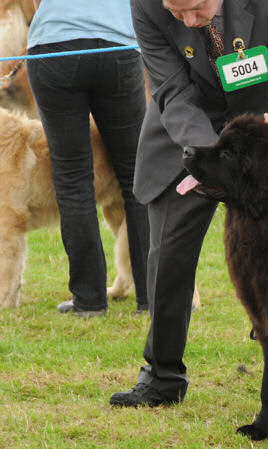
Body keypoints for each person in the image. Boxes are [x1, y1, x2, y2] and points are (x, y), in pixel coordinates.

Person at [109, 0, 268, 407]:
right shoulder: (144, 5)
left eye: (197, 8)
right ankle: (162, 375)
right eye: (178, 14)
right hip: (189, 133)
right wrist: (219, 157)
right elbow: (172, 91)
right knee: (167, 254)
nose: (190, 21)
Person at [26, 0, 150, 316]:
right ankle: (151, 296)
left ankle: (89, 300)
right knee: (136, 174)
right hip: (117, 47)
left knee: (72, 178)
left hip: (55, 46)